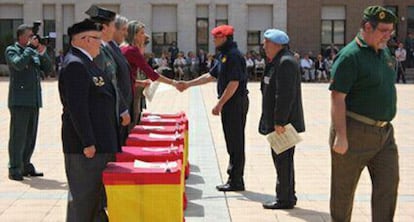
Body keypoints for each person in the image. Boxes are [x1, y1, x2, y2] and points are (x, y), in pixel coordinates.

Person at [329, 6, 399, 222]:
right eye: (384, 31)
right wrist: (341, 136)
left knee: (388, 186)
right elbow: (337, 98)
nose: (388, 36)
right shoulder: (350, 56)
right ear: (367, 27)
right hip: (354, 131)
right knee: (343, 192)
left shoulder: (384, 51)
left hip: (384, 134)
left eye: (391, 31)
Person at [177, 25, 249, 192]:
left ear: (224, 38)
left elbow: (234, 83)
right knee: (231, 140)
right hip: (230, 103)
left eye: (216, 37)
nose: (213, 40)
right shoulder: (224, 55)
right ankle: (234, 177)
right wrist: (188, 84)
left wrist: (220, 104)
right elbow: (211, 75)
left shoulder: (233, 56)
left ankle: (236, 180)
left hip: (235, 103)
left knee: (236, 141)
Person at [58, 18, 117, 222]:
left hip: (99, 143)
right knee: (83, 201)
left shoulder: (86, 62)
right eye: (97, 39)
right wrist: (88, 142)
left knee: (96, 200)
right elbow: (77, 109)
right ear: (84, 39)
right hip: (86, 148)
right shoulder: (75, 64)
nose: (101, 43)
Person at [258, 29, 305, 209]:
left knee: (283, 161)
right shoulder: (276, 61)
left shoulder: (285, 62)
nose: (264, 47)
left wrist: (280, 122)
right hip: (277, 122)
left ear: (277, 44)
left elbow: (285, 95)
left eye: (266, 43)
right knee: (281, 160)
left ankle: (284, 198)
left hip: (283, 124)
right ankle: (287, 195)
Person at [5, 23, 52, 181]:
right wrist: (30, 49)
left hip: (33, 100)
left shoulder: (31, 51)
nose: (32, 38)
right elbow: (18, 64)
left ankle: (26, 164)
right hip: (19, 101)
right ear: (21, 37)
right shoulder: (12, 50)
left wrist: (42, 52)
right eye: (29, 36)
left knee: (31, 136)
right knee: (18, 136)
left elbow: (48, 69)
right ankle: (14, 167)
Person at [86, 5, 131, 150]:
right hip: (103, 112)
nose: (114, 30)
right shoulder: (97, 51)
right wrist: (122, 109)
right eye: (112, 26)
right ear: (104, 28)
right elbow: (106, 83)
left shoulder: (106, 48)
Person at [121, 20, 178, 129]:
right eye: (141, 33)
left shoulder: (123, 47)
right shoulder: (132, 50)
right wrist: (173, 83)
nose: (144, 36)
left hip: (127, 88)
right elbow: (151, 73)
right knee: (131, 124)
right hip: (128, 92)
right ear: (134, 35)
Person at [108, 14, 134, 144]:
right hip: (118, 108)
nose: (125, 33)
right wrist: (122, 108)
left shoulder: (115, 48)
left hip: (123, 105)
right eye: (123, 30)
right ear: (114, 29)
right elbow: (113, 81)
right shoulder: (107, 49)